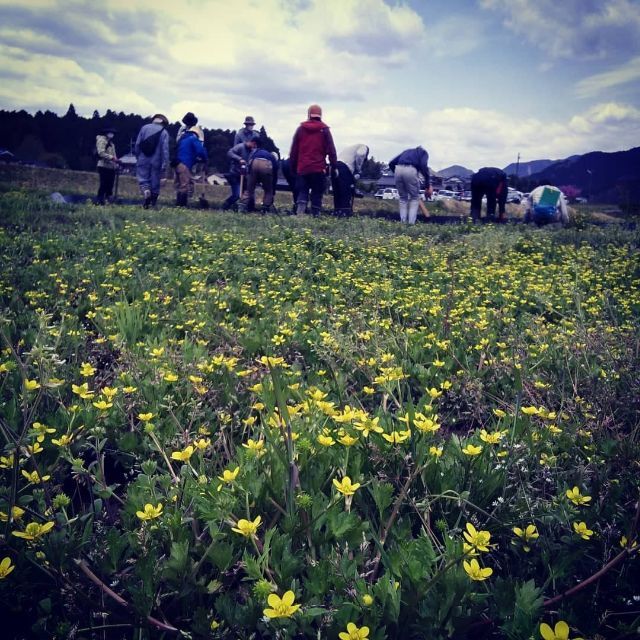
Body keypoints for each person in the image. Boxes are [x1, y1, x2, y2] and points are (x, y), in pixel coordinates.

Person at [289, 104, 337, 216]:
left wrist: (293, 167)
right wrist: (334, 166)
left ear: (308, 114)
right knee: (317, 192)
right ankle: (315, 214)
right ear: (320, 115)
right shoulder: (324, 130)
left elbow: (294, 151)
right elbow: (331, 150)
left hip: (303, 167)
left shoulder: (301, 129)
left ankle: (300, 213)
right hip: (318, 168)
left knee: (303, 190)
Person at [135, 113, 170, 209]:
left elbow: (138, 144)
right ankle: (152, 203)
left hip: (143, 158)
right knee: (155, 182)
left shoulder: (144, 128)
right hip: (157, 160)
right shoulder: (164, 132)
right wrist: (164, 165)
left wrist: (138, 155)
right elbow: (165, 150)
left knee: (143, 179)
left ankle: (146, 190)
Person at [388, 146, 431, 224]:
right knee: (414, 198)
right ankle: (411, 223)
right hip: (411, 169)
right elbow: (423, 166)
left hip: (398, 169)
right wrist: (427, 184)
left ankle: (403, 222)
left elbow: (391, 163)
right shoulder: (423, 153)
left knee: (403, 198)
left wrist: (397, 173)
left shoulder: (407, 151)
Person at [174, 125, 208, 207]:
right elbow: (200, 151)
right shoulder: (193, 139)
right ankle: (181, 206)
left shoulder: (183, 139)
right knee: (184, 186)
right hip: (184, 164)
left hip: (177, 163)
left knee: (180, 184)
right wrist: (205, 158)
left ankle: (177, 204)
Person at [332, 143, 369, 216]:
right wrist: (359, 169)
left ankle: (337, 212)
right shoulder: (364, 147)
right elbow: (361, 154)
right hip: (344, 167)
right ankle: (345, 213)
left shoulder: (350, 149)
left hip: (334, 166)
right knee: (345, 192)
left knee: (337, 192)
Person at [240, 143, 279, 213]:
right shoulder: (273, 159)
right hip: (266, 165)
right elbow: (274, 177)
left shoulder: (259, 152)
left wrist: (249, 179)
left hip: (254, 162)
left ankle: (242, 207)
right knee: (268, 191)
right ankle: (265, 210)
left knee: (249, 189)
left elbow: (249, 164)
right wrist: (273, 191)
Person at [223, 138, 257, 210]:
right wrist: (239, 159)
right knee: (237, 195)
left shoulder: (252, 151)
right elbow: (229, 153)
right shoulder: (240, 146)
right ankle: (224, 207)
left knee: (248, 194)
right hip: (234, 174)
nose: (254, 148)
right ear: (252, 142)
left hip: (244, 175)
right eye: (254, 145)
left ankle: (247, 209)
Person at [95, 126, 119, 205]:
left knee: (110, 184)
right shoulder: (102, 140)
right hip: (103, 166)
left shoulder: (111, 144)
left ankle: (108, 200)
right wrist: (111, 158)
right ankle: (100, 200)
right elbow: (101, 153)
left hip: (111, 167)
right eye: (110, 133)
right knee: (103, 184)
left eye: (113, 133)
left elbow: (114, 155)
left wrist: (116, 163)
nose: (112, 134)